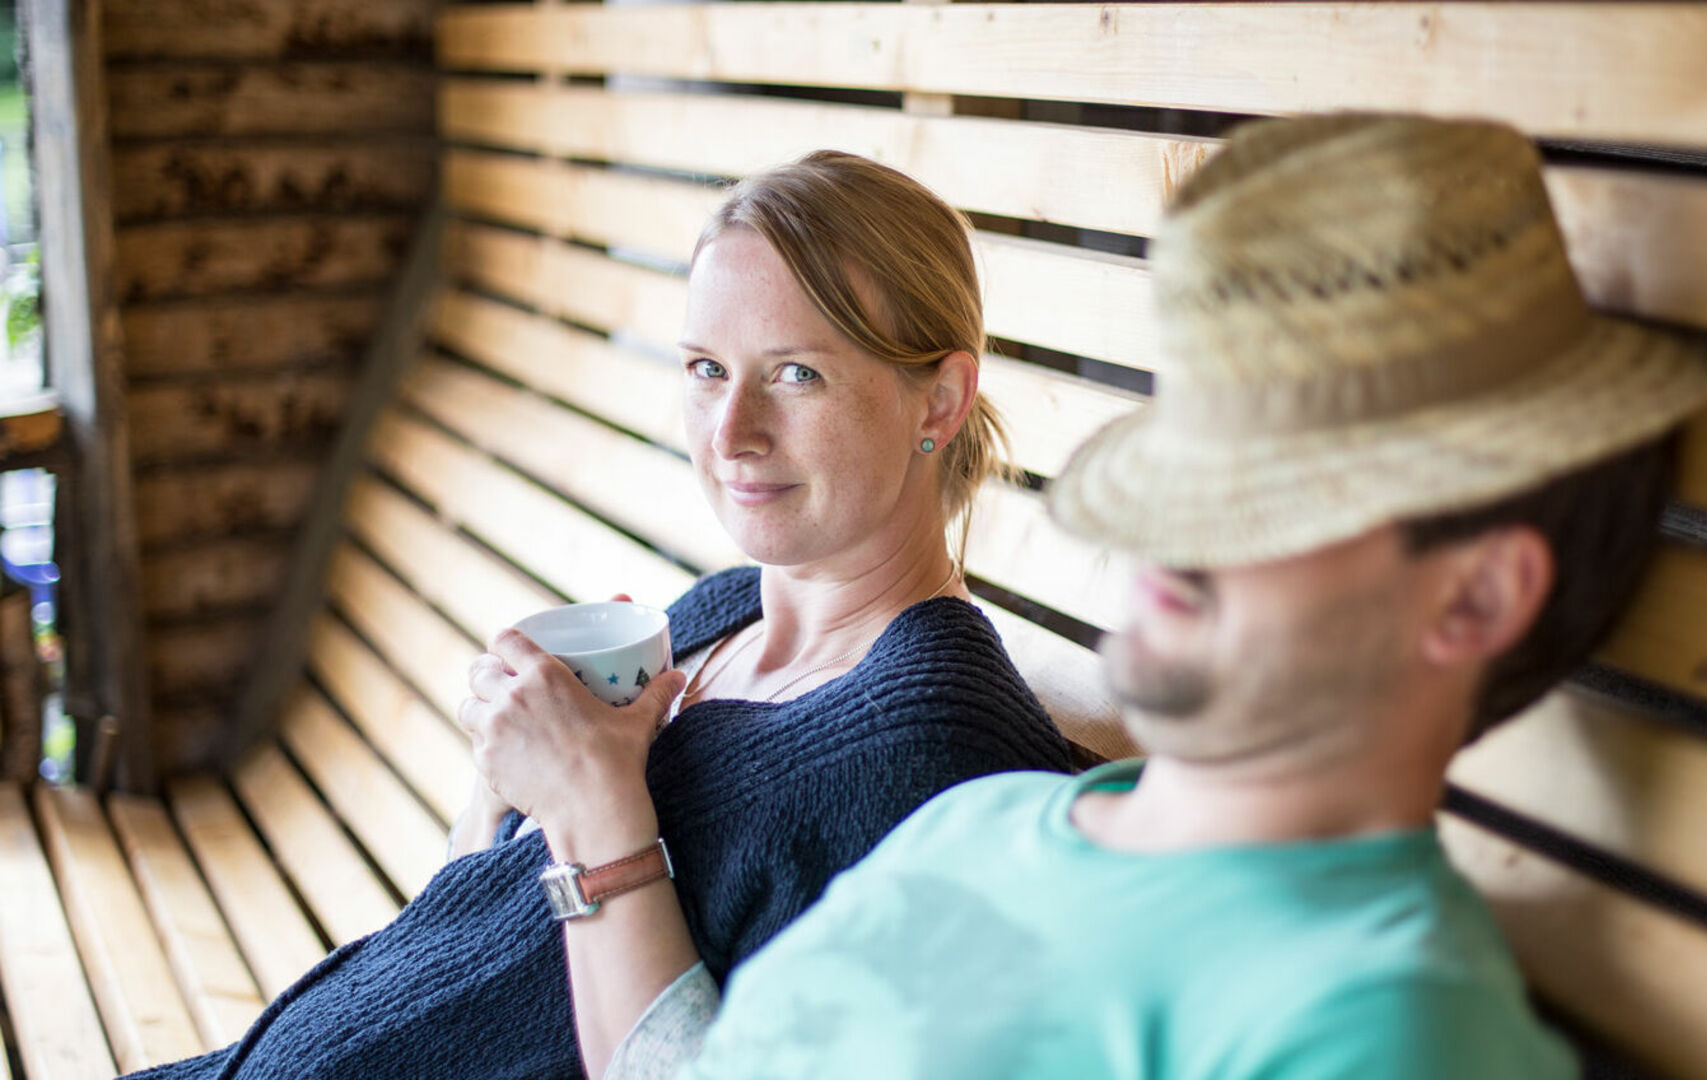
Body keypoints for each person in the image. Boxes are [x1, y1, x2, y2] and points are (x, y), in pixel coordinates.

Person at [531, 113, 1707, 1078]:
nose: (1166, 529)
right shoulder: (991, 827)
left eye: (1261, 496)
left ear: (1471, 600)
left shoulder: (1372, 1016)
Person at [124, 151, 1072, 1080]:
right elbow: (480, 926)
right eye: (706, 368)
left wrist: (592, 801)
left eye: (795, 375)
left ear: (940, 400)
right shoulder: (715, 616)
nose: (730, 433)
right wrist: (506, 780)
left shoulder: (932, 748)